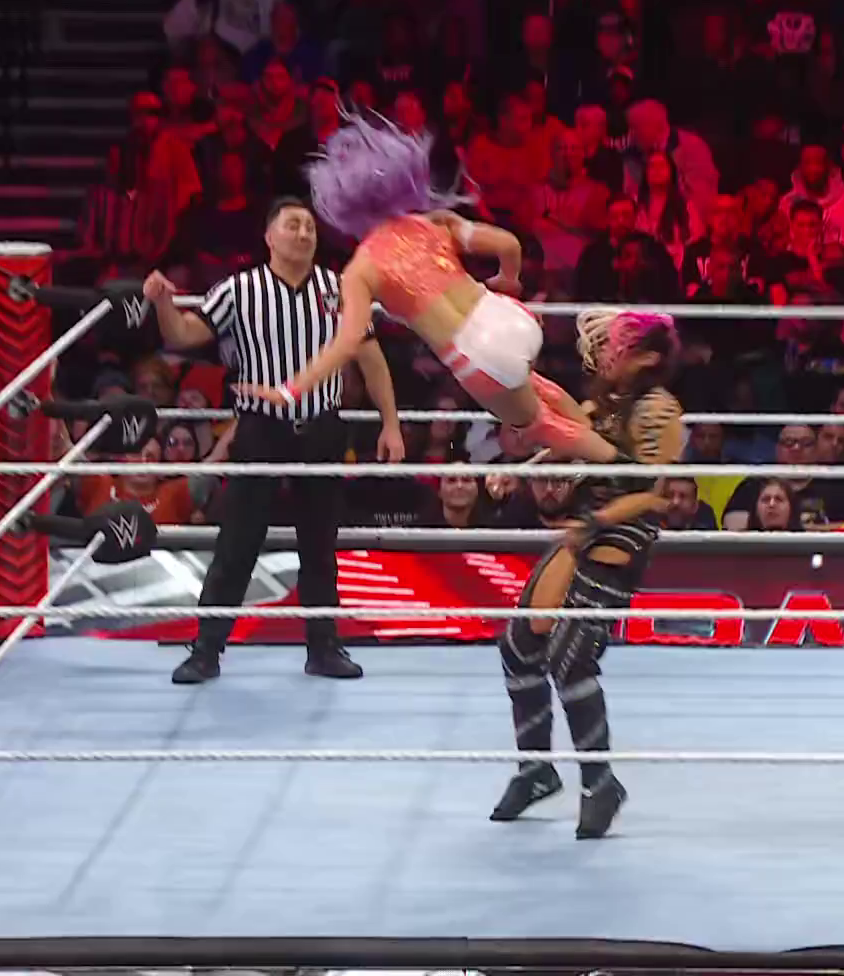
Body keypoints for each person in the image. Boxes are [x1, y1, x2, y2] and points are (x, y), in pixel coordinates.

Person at [235, 112, 623, 466]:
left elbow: (347, 343)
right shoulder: (433, 223)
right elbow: (509, 244)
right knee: (536, 387)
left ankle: (624, 469)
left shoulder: (361, 270)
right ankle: (608, 447)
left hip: (477, 354)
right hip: (505, 315)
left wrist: (291, 390)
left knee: (539, 425)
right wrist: (508, 282)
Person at [144, 196, 407, 685]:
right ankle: (206, 650)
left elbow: (371, 359)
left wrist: (390, 423)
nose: (303, 233)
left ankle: (324, 648)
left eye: (309, 226)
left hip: (322, 426)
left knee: (320, 543)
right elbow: (183, 334)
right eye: (293, 225)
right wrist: (163, 303)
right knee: (238, 542)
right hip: (262, 428)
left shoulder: (339, 289)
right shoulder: (240, 290)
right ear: (269, 236)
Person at [490, 309, 684, 840]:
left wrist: (597, 522)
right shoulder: (606, 403)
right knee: (519, 645)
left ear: (647, 357)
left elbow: (654, 493)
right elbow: (571, 437)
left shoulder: (658, 410)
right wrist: (520, 473)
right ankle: (535, 770)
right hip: (585, 526)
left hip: (621, 533)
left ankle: (600, 784)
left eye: (620, 344)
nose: (606, 353)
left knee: (570, 657)